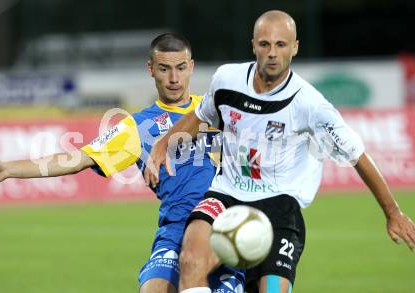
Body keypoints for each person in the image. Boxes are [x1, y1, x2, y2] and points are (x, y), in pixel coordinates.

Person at [144, 11, 415, 293]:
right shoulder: (227, 79)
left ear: (295, 47)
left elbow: (358, 155)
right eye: (265, 44)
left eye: (281, 45)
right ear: (253, 45)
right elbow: (201, 115)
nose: (272, 53)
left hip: (279, 207)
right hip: (225, 194)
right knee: (191, 260)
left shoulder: (310, 104)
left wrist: (393, 213)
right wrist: (164, 144)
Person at [0, 33, 245, 293]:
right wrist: (9, 169)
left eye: (180, 68)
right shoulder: (136, 127)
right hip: (176, 229)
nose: (174, 78)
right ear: (150, 69)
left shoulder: (214, 109)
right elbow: (77, 159)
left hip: (225, 225)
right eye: (164, 69)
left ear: (191, 67)